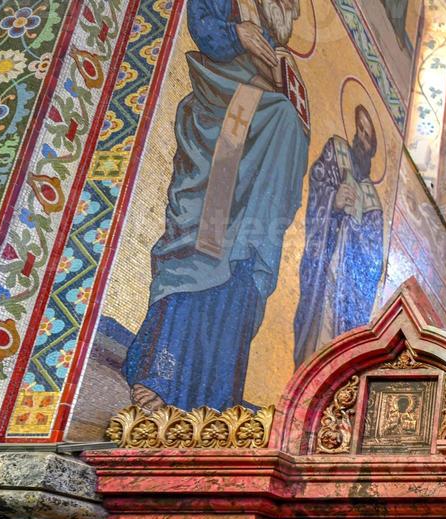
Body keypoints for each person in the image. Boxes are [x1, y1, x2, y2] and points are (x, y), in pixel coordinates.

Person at [123, 0, 310, 411]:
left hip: (253, 188)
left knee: (239, 268)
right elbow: (205, 27)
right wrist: (236, 34)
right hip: (224, 116)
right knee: (203, 246)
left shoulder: (276, 29)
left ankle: (218, 394)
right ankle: (160, 372)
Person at [291, 106, 385, 364]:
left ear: (372, 148)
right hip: (324, 265)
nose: (360, 138)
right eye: (360, 130)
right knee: (314, 326)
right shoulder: (337, 152)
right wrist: (332, 202)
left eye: (366, 136)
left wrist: (354, 231)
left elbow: (374, 256)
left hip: (346, 287)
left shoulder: (372, 200)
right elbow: (319, 183)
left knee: (336, 338)